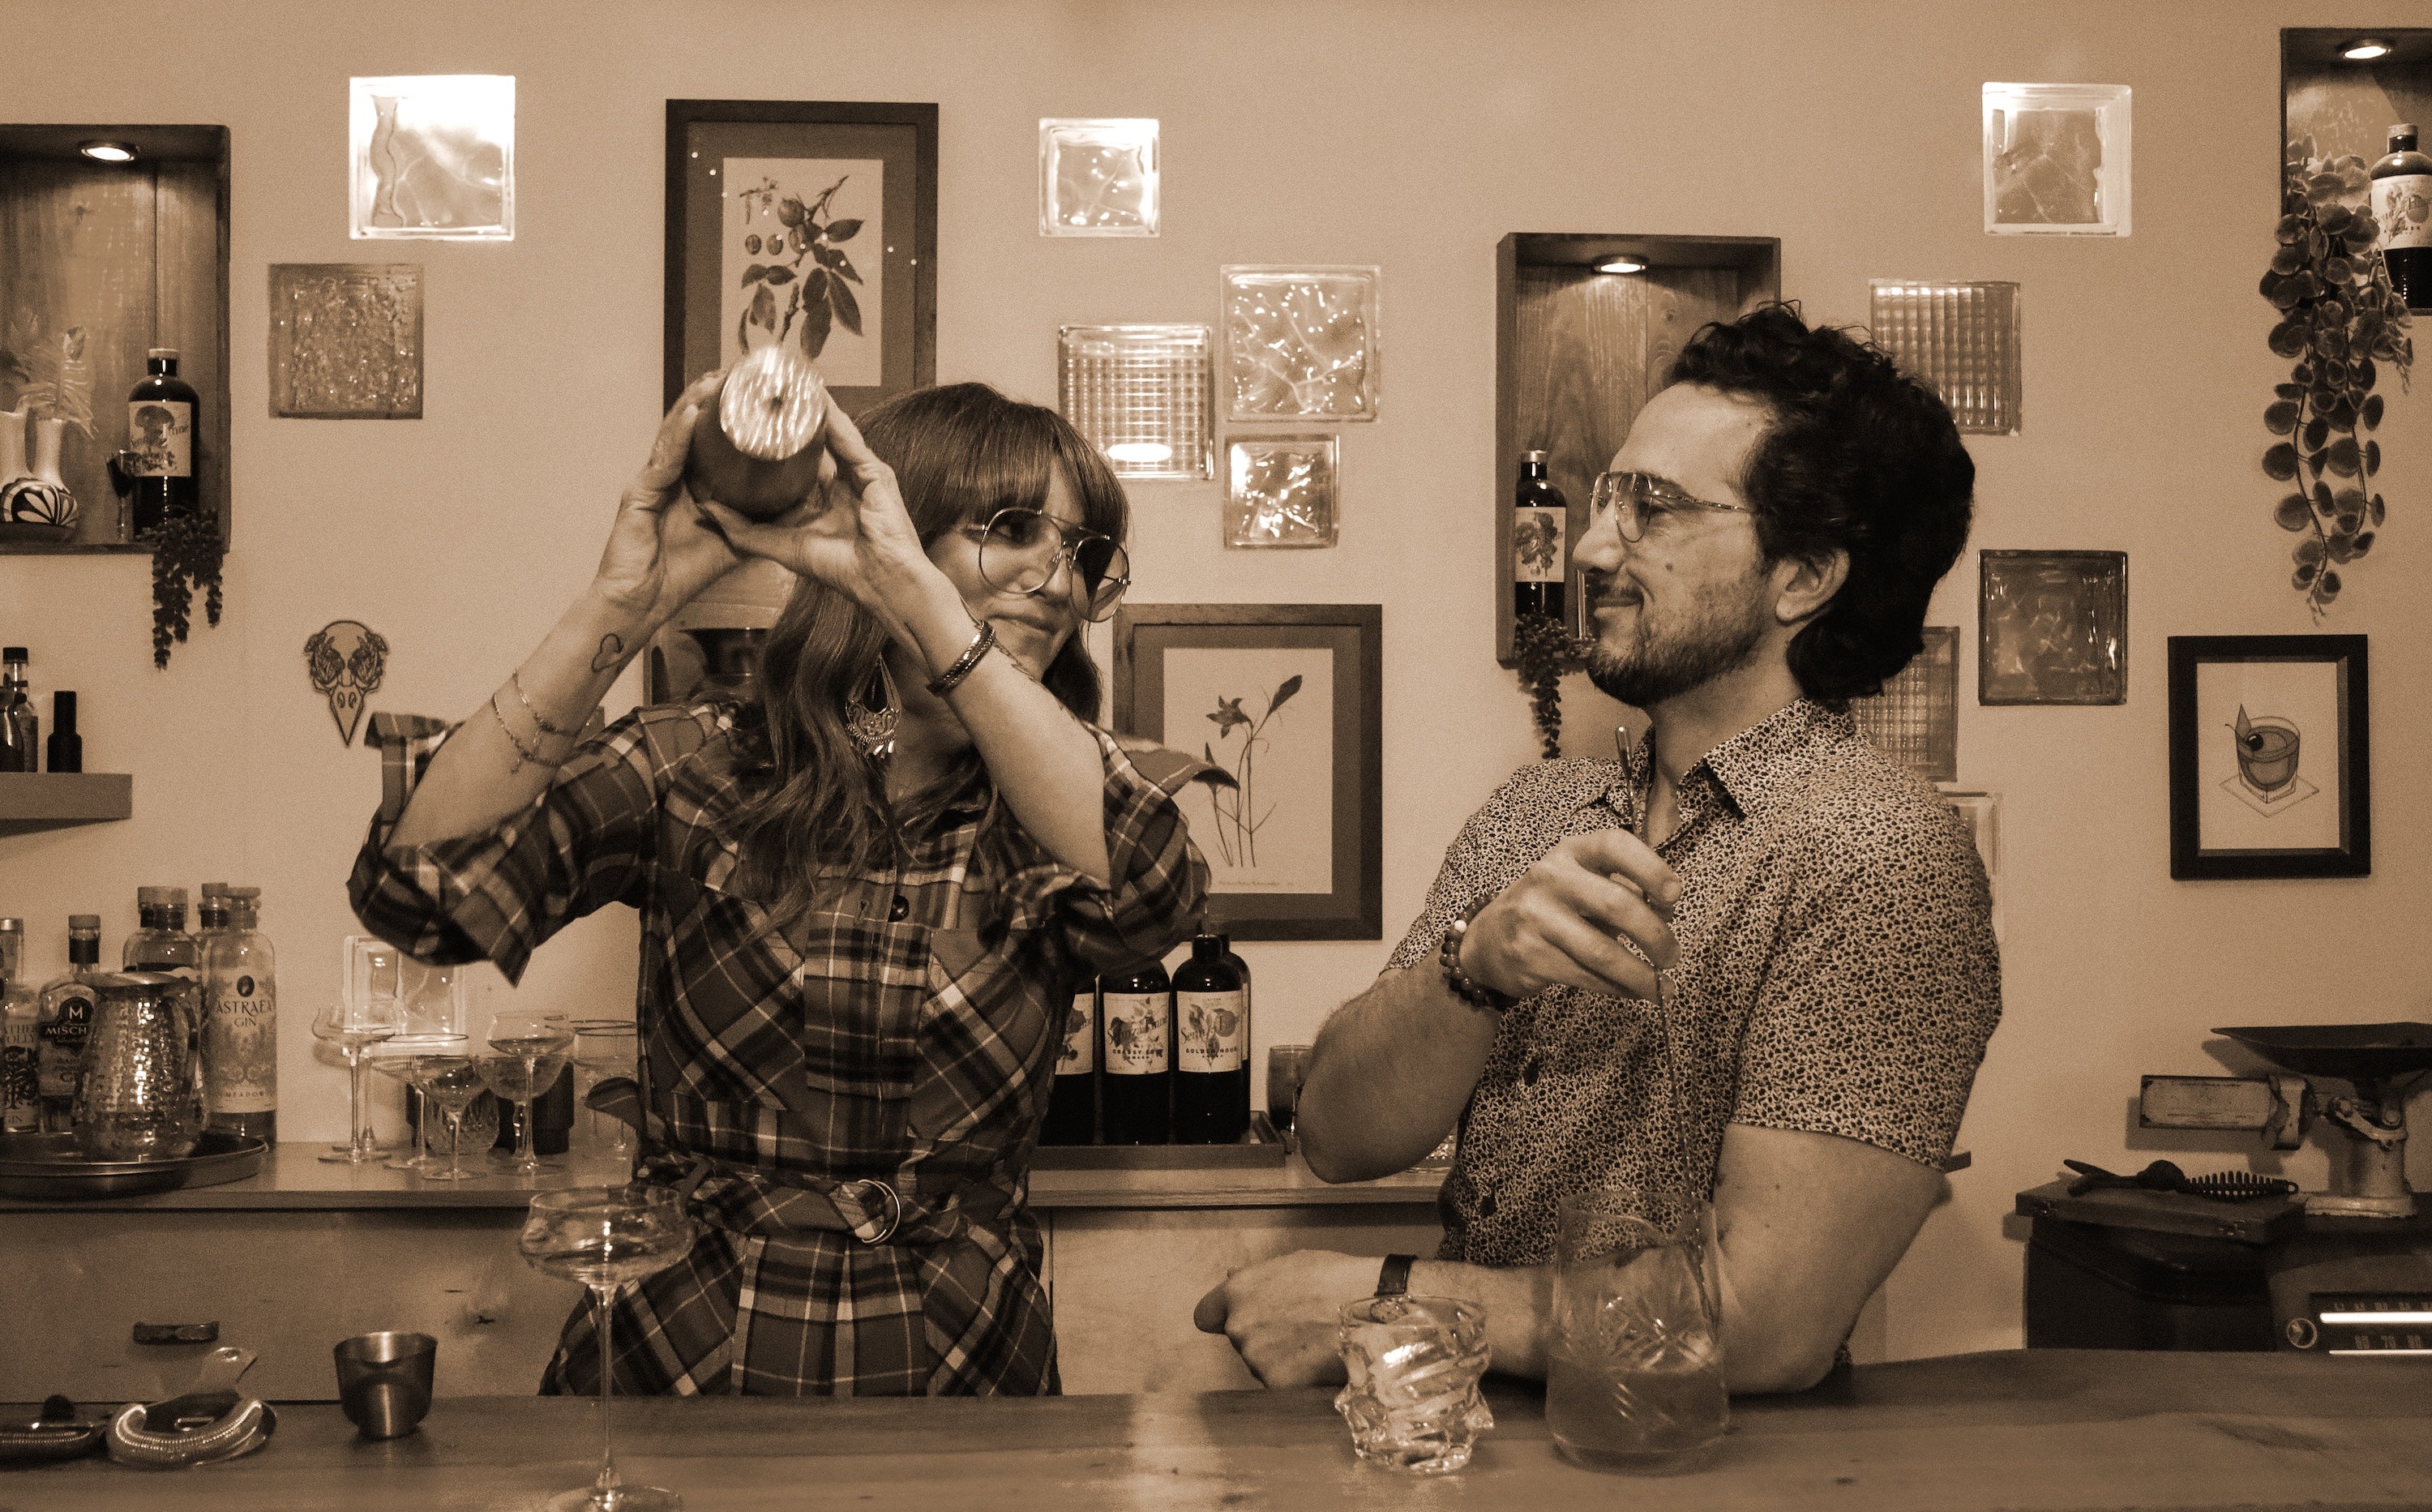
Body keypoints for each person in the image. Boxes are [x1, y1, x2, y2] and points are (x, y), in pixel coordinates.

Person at [1196, 302, 1999, 1394]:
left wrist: (1393, 1295)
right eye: (1608, 496)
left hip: (1704, 1494)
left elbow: (1768, 1324)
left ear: (1802, 577)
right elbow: (1335, 1135)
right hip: (1477, 1460)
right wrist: (1472, 967)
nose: (1589, 543)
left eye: (1654, 507)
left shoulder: (1877, 853)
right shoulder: (1538, 812)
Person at [352, 376, 1208, 1396]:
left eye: (1085, 553)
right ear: (900, 522)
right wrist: (622, 606)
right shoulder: (695, 765)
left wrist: (928, 610)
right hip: (682, 1355)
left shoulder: (1064, 795)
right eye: (1014, 528)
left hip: (963, 1369)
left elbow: (1155, 893)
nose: (1059, 579)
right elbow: (420, 892)